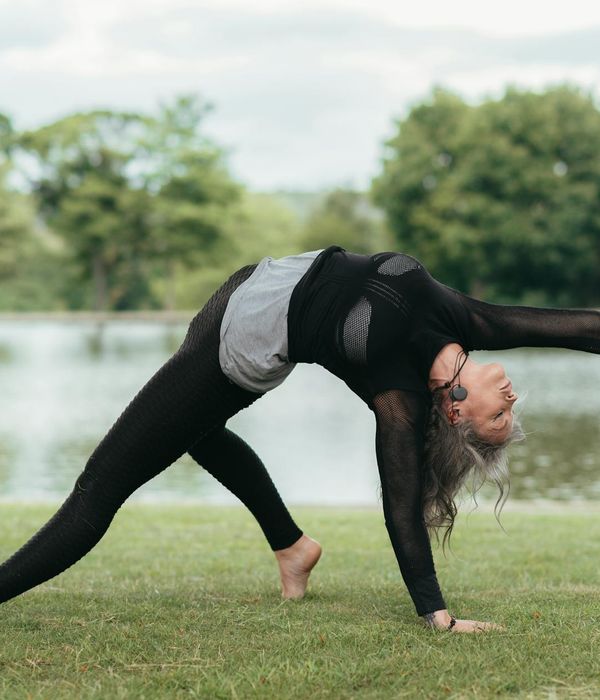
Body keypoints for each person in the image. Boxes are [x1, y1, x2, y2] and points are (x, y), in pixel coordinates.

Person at [1, 245, 598, 633]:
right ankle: (292, 547)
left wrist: (436, 614)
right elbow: (576, 327)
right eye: (508, 417)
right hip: (254, 282)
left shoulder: (400, 396)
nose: (514, 403)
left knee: (96, 490)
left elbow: (401, 507)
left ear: (456, 413)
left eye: (501, 422)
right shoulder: (470, 321)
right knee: (196, 434)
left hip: (238, 346)